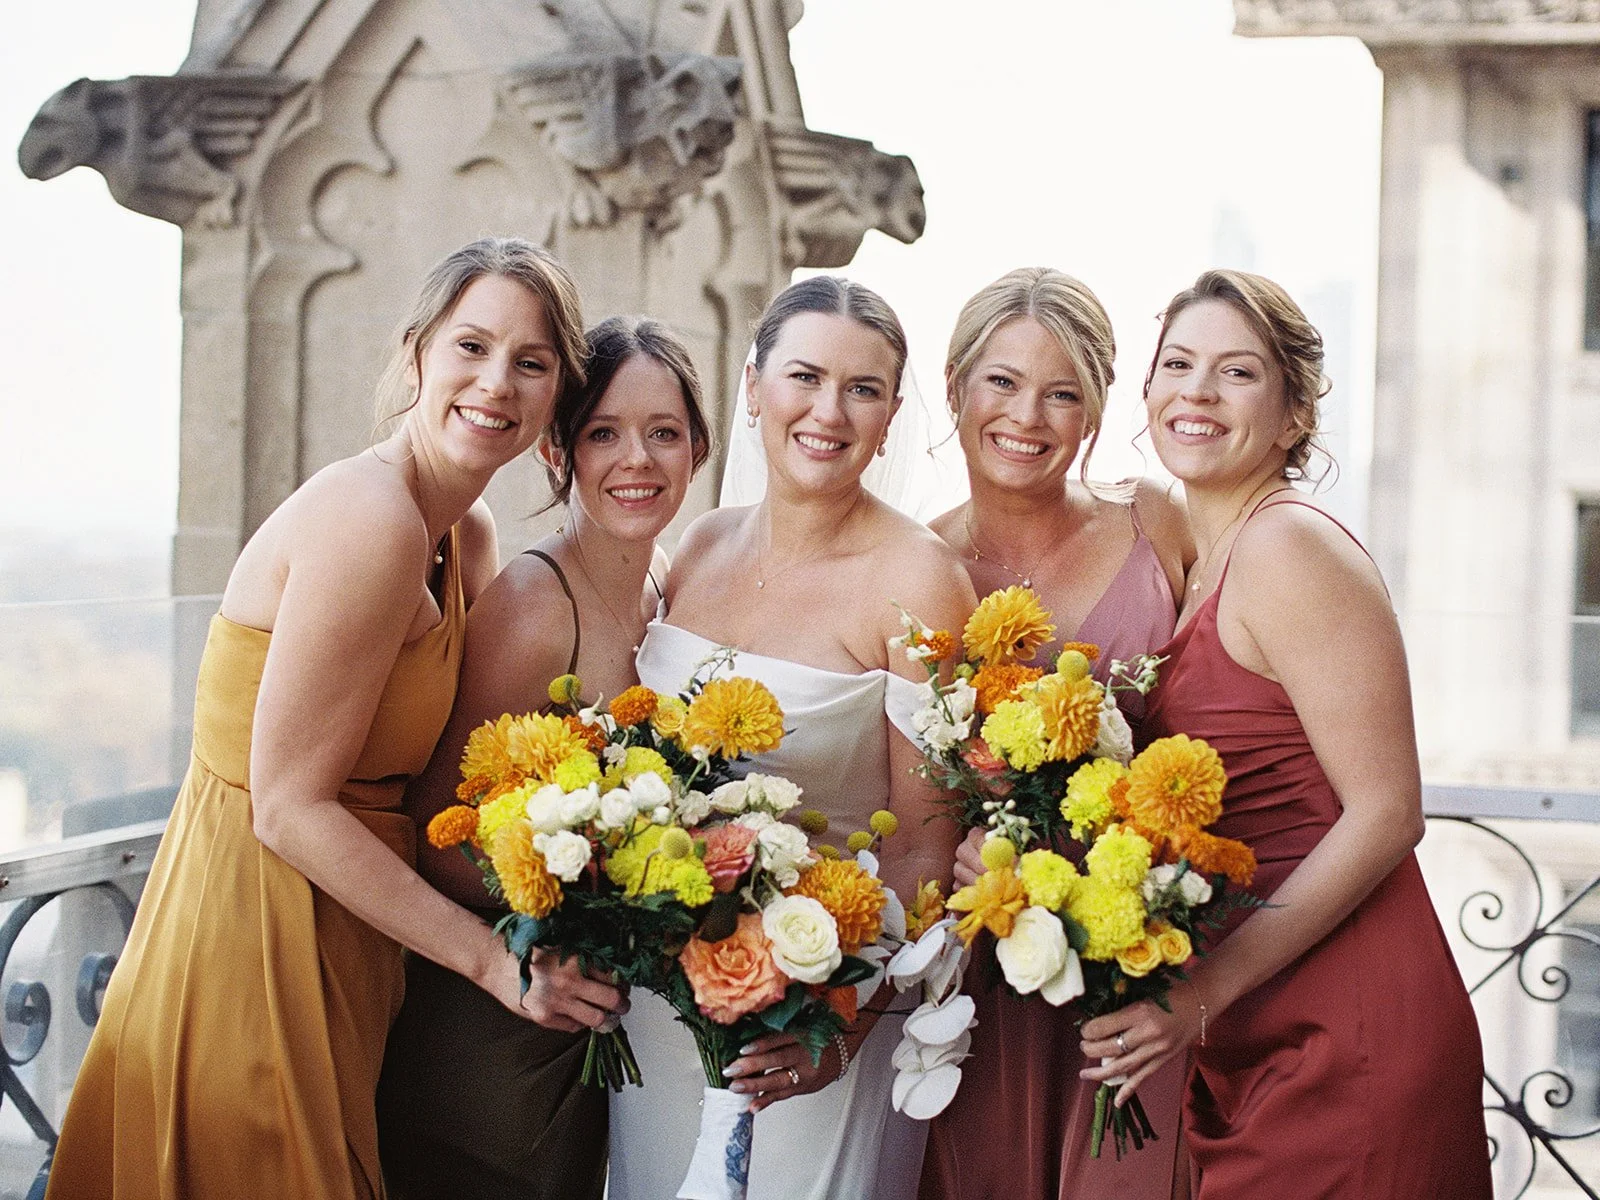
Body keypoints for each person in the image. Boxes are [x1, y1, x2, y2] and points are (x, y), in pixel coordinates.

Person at [44, 237, 590, 1200]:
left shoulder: (465, 533)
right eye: (471, 346)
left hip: (352, 942)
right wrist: (496, 965)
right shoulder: (367, 520)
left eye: (531, 363)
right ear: (418, 353)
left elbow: (455, 769)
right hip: (251, 935)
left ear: (554, 399)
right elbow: (287, 806)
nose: (495, 383)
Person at [1079, 269, 1492, 1198]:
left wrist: (1203, 993)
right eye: (1177, 364)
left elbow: (1389, 812)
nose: (1196, 391)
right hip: (1249, 1025)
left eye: (1237, 373)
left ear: (1294, 414)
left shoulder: (1289, 547)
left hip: (1348, 1027)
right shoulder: (1196, 560)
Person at [605, 276, 977, 1200]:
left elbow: (928, 842)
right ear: (752, 385)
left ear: (891, 415)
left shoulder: (918, 581)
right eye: (804, 376)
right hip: (658, 1003)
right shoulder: (696, 548)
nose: (827, 411)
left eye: (863, 389)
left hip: (813, 1014)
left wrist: (843, 1031)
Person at [375, 316, 712, 1199]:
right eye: (604, 432)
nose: (636, 459)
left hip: (596, 1024)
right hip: (501, 1023)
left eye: (663, 433)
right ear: (559, 452)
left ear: (698, 450)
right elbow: (434, 832)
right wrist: (569, 914)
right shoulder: (535, 602)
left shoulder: (665, 583)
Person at [918, 267, 1194, 1200]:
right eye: (1001, 382)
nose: (1027, 416)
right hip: (992, 962)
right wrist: (957, 850)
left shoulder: (1157, 522)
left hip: (1143, 951)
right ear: (956, 387)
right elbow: (910, 782)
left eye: (1062, 392)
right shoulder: (923, 563)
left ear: (1094, 413)